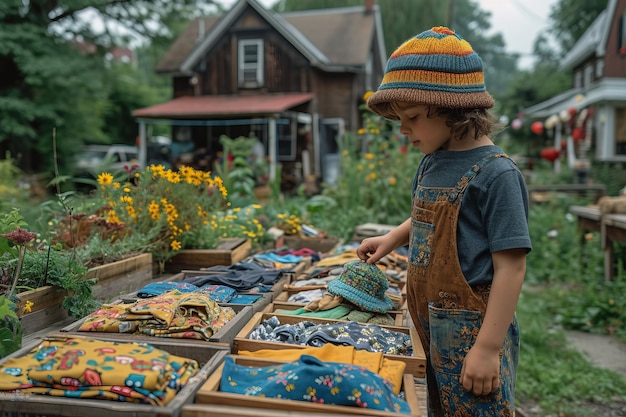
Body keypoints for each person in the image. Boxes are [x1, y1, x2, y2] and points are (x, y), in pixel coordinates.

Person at [356, 26, 532, 417]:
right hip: (426, 320)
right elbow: (429, 217)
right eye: (399, 119)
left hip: (473, 331)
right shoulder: (434, 161)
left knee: (476, 408)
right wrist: (393, 237)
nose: (403, 129)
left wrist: (487, 348)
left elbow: (511, 267)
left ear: (454, 110)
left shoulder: (497, 175)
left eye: (413, 117)